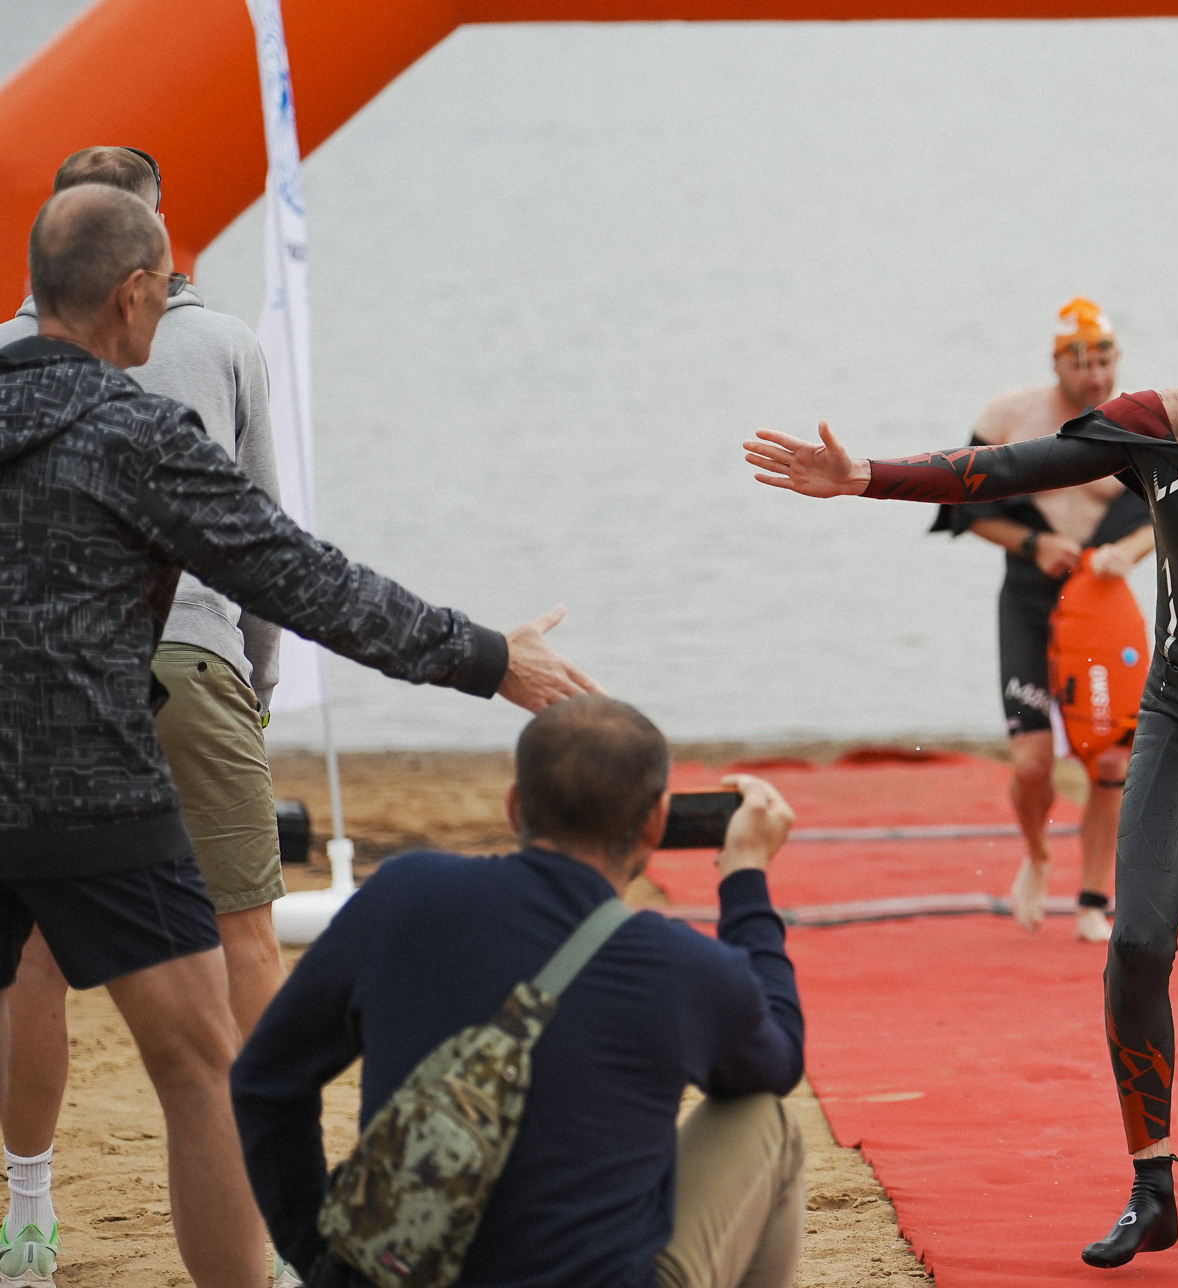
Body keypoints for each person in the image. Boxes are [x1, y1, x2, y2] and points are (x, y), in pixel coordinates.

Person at [745, 272, 1178, 1268]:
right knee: (1137, 943)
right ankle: (1152, 1186)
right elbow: (1003, 469)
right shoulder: (1149, 426)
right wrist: (865, 475)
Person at [0, 183, 596, 1288]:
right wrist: (485, 655)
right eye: (166, 287)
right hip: (86, 789)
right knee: (196, 1060)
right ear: (134, 296)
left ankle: (24, 1232)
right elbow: (299, 576)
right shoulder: (130, 431)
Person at [234, 698, 807, 1288]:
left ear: (515, 806)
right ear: (656, 824)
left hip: (394, 1269)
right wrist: (745, 876)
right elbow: (780, 1057)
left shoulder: (403, 895)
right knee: (767, 1121)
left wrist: (324, 1259)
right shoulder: (684, 967)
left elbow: (265, 1078)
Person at [0, 147, 293, 1287]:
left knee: (28, 969)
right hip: (195, 661)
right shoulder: (220, 344)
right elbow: (269, 538)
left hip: (37, 705)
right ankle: (273, 1210)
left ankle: (28, 1210)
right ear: (150, 250)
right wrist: (253, 685)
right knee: (242, 952)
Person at [931, 297, 1154, 941]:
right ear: (1057, 362)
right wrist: (1032, 545)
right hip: (1031, 600)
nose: (1095, 376)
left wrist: (1123, 552)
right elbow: (964, 511)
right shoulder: (1009, 417)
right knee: (1030, 761)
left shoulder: (1138, 425)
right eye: (1080, 362)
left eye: (1104, 359)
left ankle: (1092, 897)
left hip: (1102, 604)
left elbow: (1171, 516)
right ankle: (1036, 854)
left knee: (1111, 760)